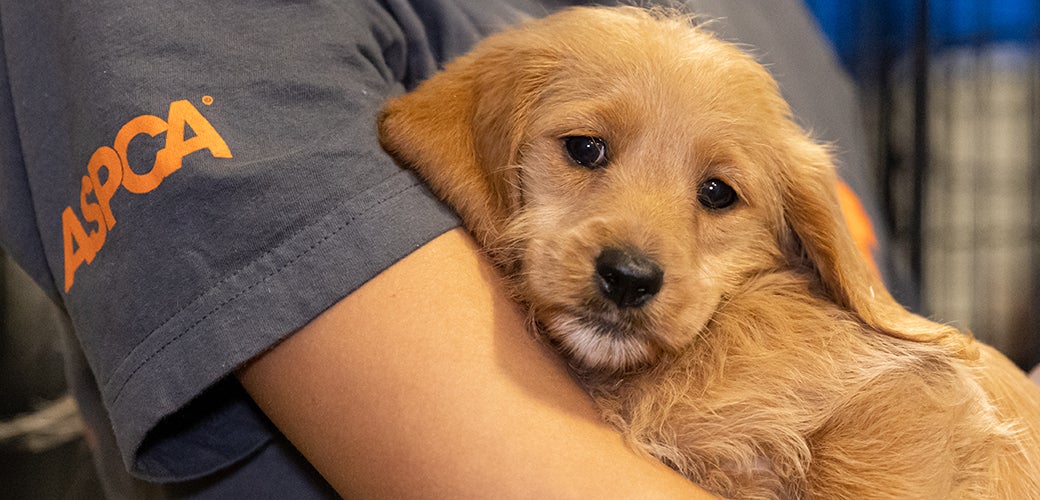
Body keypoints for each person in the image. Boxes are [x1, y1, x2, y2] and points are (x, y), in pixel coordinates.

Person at [0, 0, 885, 497]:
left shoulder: (779, 27)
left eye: (717, 196)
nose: (638, 253)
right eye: (583, 150)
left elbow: (890, 351)